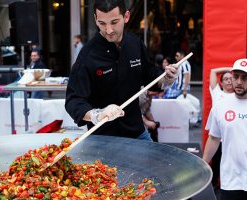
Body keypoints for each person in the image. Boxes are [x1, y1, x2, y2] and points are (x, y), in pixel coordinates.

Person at [65, 0, 178, 140]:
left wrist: (165, 79)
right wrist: (97, 115)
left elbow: (149, 75)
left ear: (126, 17)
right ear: (95, 19)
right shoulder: (88, 55)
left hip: (137, 131)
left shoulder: (134, 43)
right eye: (102, 23)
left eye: (114, 22)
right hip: (103, 137)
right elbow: (73, 100)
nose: (109, 30)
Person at [203, 58, 247, 200]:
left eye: (244, 78)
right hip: (231, 180)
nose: (239, 82)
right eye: (236, 77)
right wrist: (203, 164)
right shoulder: (221, 106)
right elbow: (214, 138)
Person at [207, 67, 234, 192]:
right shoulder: (217, 93)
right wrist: (230, 69)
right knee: (216, 163)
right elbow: (213, 71)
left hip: (231, 138)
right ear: (221, 83)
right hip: (218, 137)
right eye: (226, 79)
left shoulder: (239, 96)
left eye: (231, 78)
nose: (229, 81)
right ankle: (213, 185)